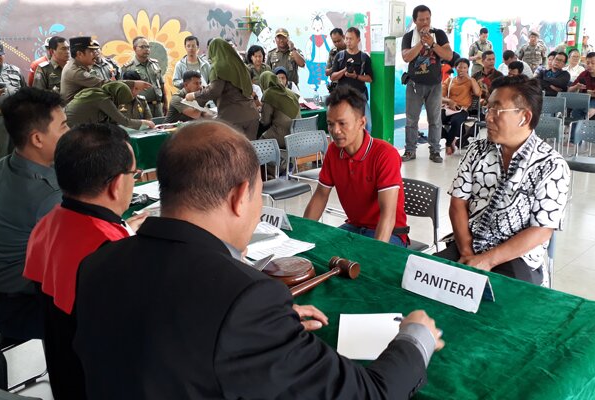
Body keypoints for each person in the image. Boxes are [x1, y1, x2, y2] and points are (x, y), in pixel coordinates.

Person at [73, 119, 443, 399]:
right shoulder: (246, 299)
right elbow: (367, 394)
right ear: (239, 197)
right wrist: (414, 339)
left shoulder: (97, 263)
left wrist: (267, 327)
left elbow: (169, 334)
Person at [23, 123, 147, 400]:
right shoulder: (112, 255)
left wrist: (123, 229)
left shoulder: (48, 223)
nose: (134, 181)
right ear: (116, 184)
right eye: (133, 174)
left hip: (65, 373)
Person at [436, 76, 570, 285]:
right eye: (487, 109)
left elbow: (542, 230)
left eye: (496, 111)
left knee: (499, 306)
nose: (488, 118)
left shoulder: (551, 165)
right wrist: (466, 252)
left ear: (524, 117)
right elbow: (458, 203)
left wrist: (486, 261)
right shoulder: (477, 149)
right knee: (425, 282)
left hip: (516, 258)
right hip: (468, 245)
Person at [0, 88, 69, 341]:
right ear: (37, 139)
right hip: (26, 308)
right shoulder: (48, 193)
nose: (69, 132)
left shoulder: (1, 166)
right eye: (63, 126)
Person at [304, 86, 409, 246]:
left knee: (361, 266)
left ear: (361, 123)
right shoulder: (333, 151)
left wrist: (374, 254)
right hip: (354, 227)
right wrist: (303, 233)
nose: (335, 131)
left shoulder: (385, 154)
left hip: (389, 233)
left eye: (342, 123)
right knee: (319, 251)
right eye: (330, 124)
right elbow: (320, 195)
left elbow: (388, 214)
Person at [401, 5, 453, 163]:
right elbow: (406, 57)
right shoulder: (409, 36)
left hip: (435, 85)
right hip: (414, 84)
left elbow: (449, 55)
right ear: (415, 20)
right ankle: (410, 151)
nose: (425, 22)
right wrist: (421, 43)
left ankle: (435, 151)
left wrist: (432, 43)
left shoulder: (439, 34)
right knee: (411, 120)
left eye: (427, 19)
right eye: (421, 19)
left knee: (435, 120)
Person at [185, 38, 259, 140]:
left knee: (234, 151)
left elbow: (214, 91)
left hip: (233, 117)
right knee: (250, 150)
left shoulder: (218, 67)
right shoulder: (243, 66)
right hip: (252, 114)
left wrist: (193, 95)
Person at [61, 36, 151, 104]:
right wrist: (133, 83)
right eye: (91, 52)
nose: (95, 54)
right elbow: (103, 84)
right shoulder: (74, 71)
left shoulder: (79, 66)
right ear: (80, 54)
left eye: (96, 51)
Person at [330, 26, 373, 128]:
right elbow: (332, 77)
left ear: (358, 40)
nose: (348, 41)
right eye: (347, 38)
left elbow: (370, 78)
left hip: (359, 96)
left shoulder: (364, 57)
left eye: (351, 39)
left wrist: (356, 76)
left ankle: (363, 144)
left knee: (367, 125)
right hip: (342, 97)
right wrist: (344, 70)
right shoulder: (339, 56)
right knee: (343, 125)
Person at [65, 82, 154, 130]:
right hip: (71, 127)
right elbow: (124, 121)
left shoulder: (100, 93)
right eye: (121, 100)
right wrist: (145, 122)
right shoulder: (103, 99)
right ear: (117, 95)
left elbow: (117, 85)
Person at [441, 58, 481, 155]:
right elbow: (440, 96)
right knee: (434, 120)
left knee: (456, 121)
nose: (462, 70)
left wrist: (471, 79)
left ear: (467, 69)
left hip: (462, 109)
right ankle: (449, 138)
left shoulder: (471, 81)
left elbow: (478, 93)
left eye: (464, 68)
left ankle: (448, 143)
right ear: (455, 68)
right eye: (459, 67)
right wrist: (449, 101)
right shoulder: (449, 80)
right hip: (448, 108)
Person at [122, 37, 167, 117]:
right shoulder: (128, 68)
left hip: (158, 106)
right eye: (142, 47)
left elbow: (161, 84)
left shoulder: (155, 64)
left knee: (160, 127)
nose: (146, 49)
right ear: (134, 48)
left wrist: (165, 103)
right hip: (141, 106)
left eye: (148, 47)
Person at [258, 71, 300, 147]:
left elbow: (265, 121)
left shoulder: (268, 94)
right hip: (296, 135)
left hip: (282, 134)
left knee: (259, 143)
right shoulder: (289, 91)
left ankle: (275, 158)